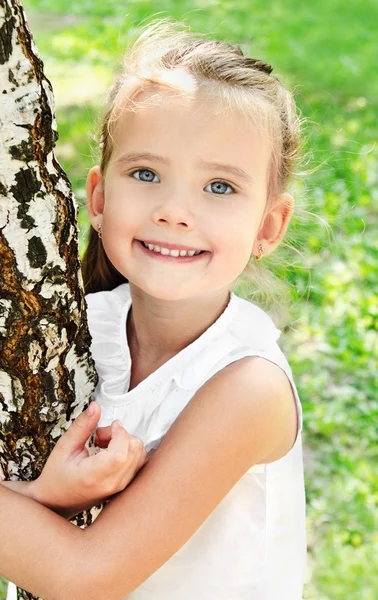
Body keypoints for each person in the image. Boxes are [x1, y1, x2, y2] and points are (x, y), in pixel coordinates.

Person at [0, 19, 307, 600]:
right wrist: (44, 499)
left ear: (268, 226)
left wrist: (40, 503)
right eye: (146, 173)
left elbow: (85, 575)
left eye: (219, 187)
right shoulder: (71, 328)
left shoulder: (247, 387)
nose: (174, 211)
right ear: (98, 197)